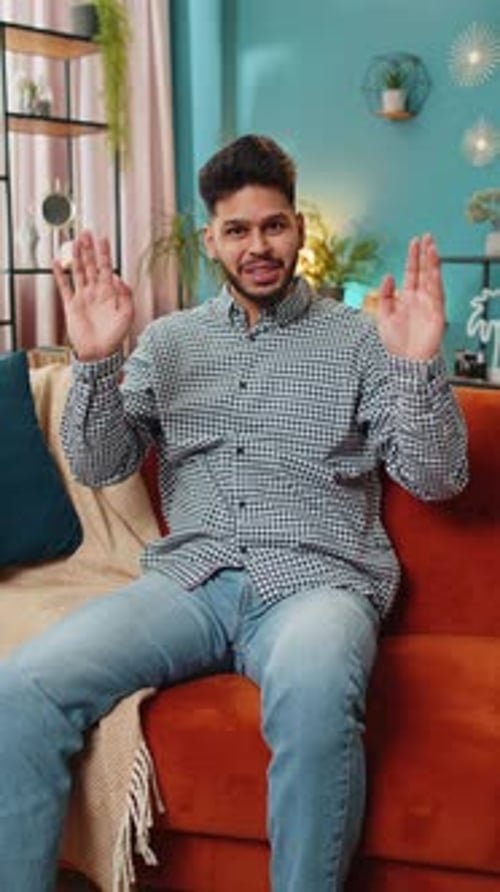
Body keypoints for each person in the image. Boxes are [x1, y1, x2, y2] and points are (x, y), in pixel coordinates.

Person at [0, 134, 468, 892]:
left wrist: (416, 365)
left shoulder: (360, 340)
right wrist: (94, 361)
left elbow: (439, 478)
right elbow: (100, 464)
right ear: (210, 239)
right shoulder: (169, 342)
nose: (259, 247)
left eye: (274, 225)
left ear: (298, 229)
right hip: (190, 584)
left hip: (316, 585)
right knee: (21, 688)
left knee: (317, 692)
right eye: (238, 230)